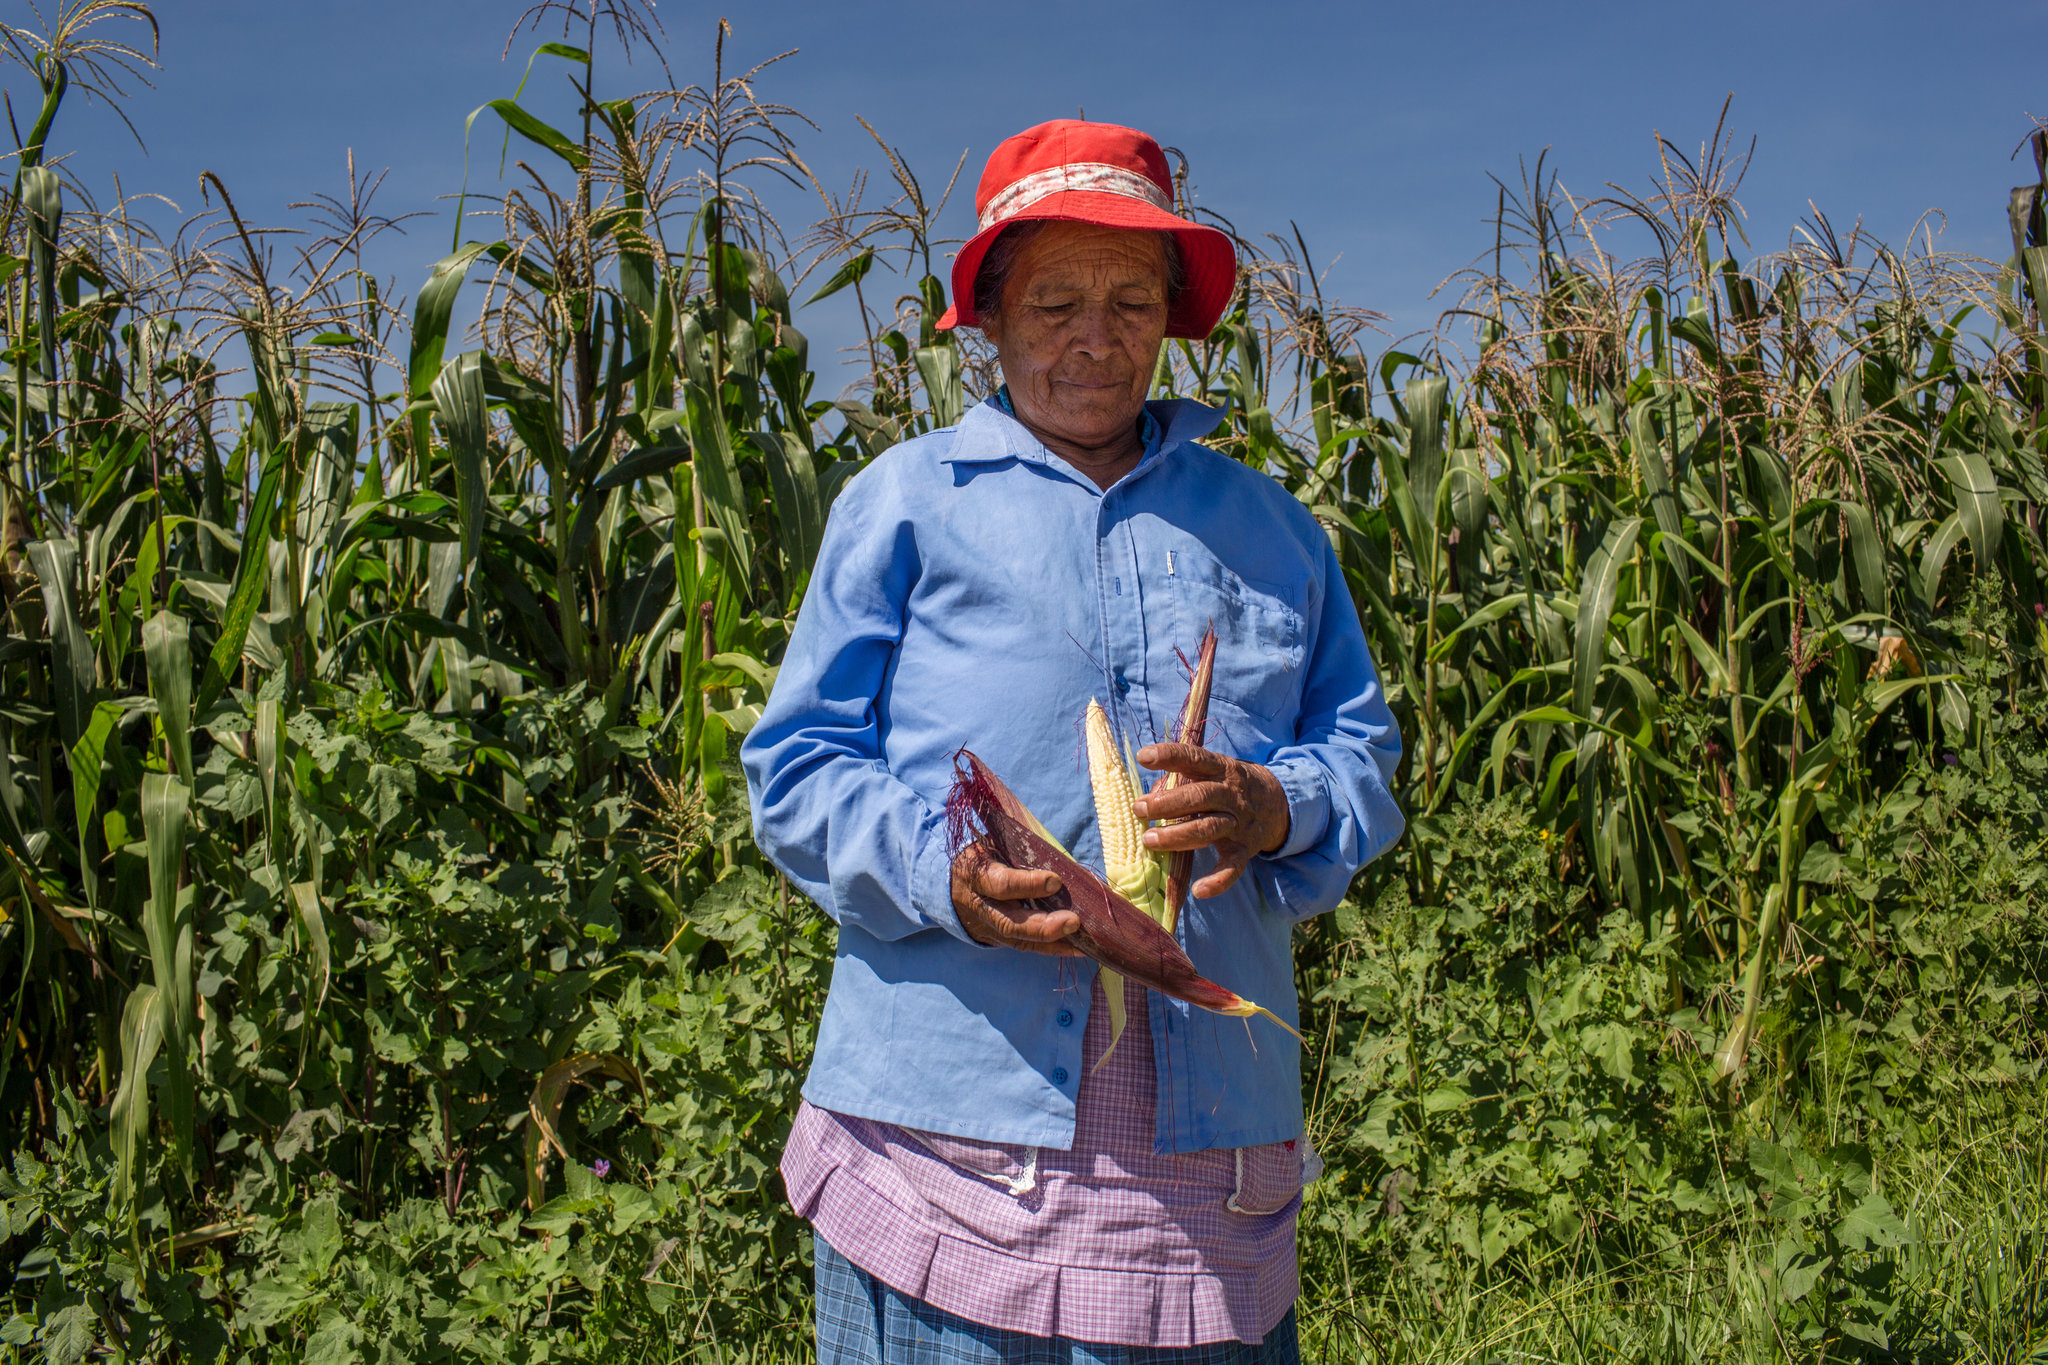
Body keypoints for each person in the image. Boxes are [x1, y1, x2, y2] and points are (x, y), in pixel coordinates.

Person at [742, 119, 1404, 1365]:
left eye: (1129, 300)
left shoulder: (1272, 532)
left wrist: (1275, 808)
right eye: (1051, 302)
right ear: (986, 318)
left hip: (1201, 1173)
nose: (1093, 338)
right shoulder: (901, 504)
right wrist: (942, 870)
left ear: (1170, 319)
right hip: (945, 1158)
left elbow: (1361, 756)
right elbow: (798, 771)